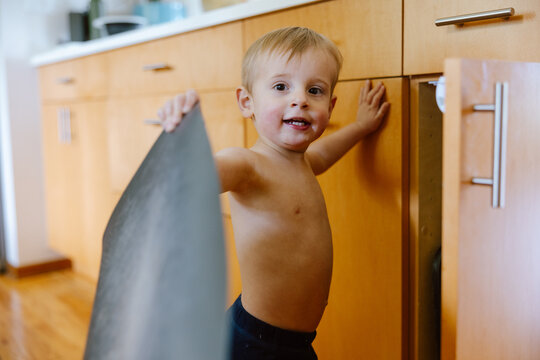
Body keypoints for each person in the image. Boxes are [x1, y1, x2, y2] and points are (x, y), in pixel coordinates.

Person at [157, 26, 390, 360]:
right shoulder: (248, 165)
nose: (300, 99)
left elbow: (324, 154)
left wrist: (361, 127)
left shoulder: (302, 162)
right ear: (246, 102)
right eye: (281, 87)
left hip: (293, 343)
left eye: (315, 90)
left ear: (331, 104)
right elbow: (194, 178)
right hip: (257, 342)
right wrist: (182, 137)